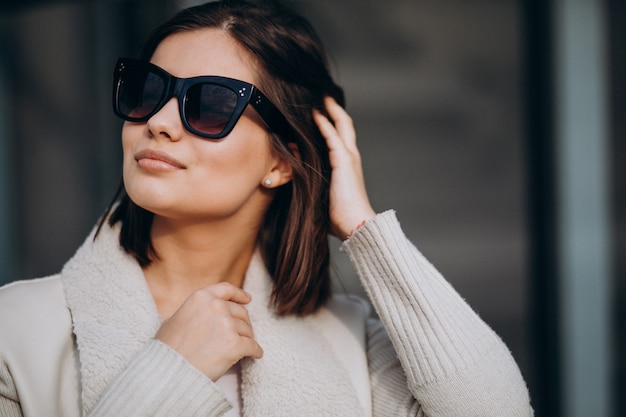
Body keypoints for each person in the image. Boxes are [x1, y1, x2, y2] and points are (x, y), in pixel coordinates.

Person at [0, 1, 533, 416]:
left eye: (208, 105)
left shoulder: (353, 343)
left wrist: (364, 229)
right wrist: (171, 371)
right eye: (147, 90)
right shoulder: (17, 332)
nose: (158, 121)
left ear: (281, 162)